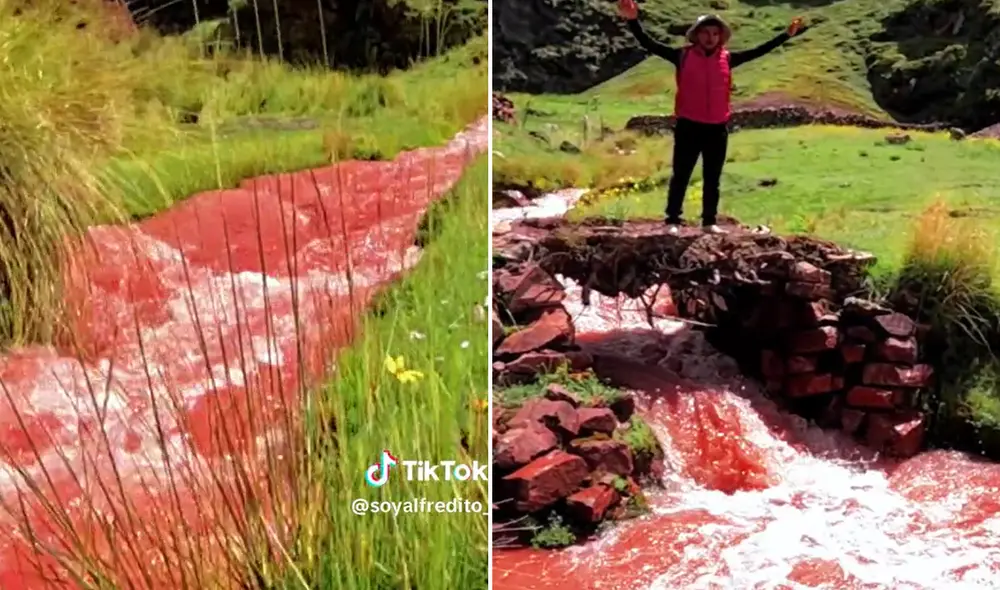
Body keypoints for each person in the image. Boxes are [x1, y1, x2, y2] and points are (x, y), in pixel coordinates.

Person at [618, 0, 807, 235]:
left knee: (712, 177)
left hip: (717, 127)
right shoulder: (682, 56)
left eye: (715, 33)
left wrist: (786, 35)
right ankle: (673, 221)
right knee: (682, 174)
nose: (710, 37)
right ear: (696, 36)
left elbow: (759, 51)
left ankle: (709, 222)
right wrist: (633, 20)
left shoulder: (727, 59)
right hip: (689, 125)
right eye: (705, 33)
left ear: (721, 37)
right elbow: (649, 43)